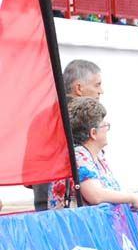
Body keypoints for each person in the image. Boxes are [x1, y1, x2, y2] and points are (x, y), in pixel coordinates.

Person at [55, 97, 138, 211]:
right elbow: (95, 195)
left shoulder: (97, 156)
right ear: (93, 133)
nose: (107, 129)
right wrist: (132, 198)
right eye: (105, 125)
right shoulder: (79, 156)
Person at [36, 60, 105, 211]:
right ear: (79, 88)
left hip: (44, 198)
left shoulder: (42, 116)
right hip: (78, 203)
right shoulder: (83, 116)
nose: (101, 91)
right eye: (97, 85)